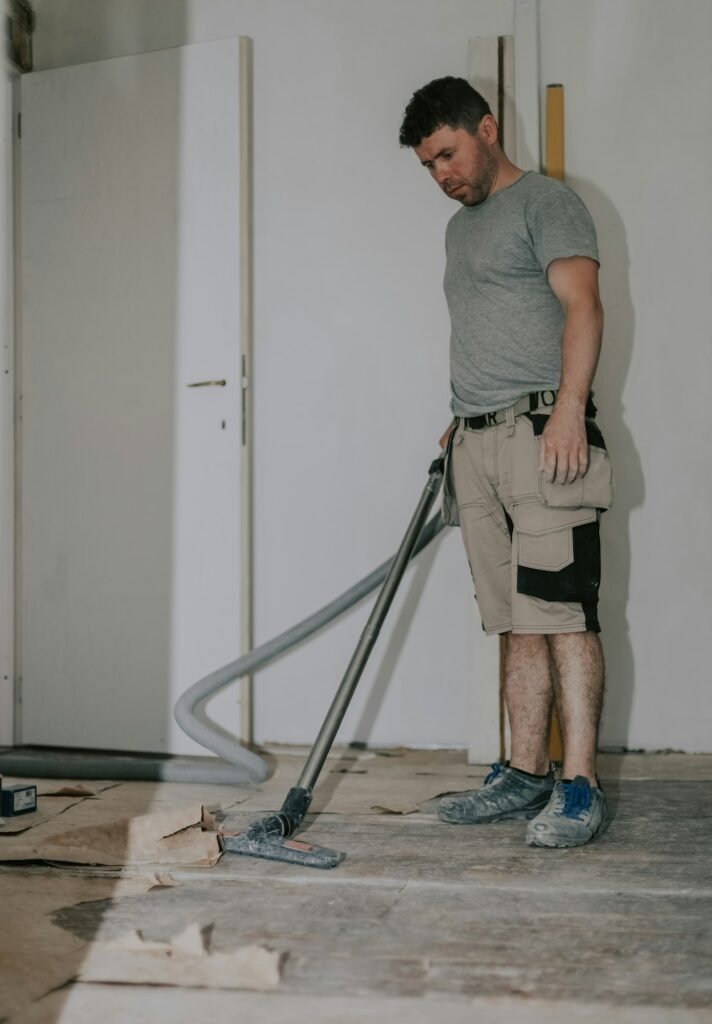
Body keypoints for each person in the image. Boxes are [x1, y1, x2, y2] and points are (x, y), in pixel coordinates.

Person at [399, 76, 614, 848]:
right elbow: (491, 327)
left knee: (561, 613)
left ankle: (579, 783)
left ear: (487, 130)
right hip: (477, 442)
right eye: (428, 165)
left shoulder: (546, 203)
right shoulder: (460, 230)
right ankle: (523, 774)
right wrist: (462, 421)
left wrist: (564, 414)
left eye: (448, 154)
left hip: (541, 434)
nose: (441, 175)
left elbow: (583, 307)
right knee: (514, 622)